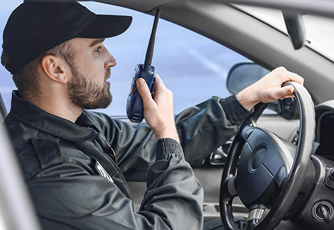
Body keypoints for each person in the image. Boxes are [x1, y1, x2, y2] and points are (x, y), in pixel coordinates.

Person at [1, 1, 304, 230]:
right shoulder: (49, 172)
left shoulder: (78, 124)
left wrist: (245, 99)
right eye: (97, 49)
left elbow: (151, 145)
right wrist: (166, 132)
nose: (112, 60)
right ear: (56, 69)